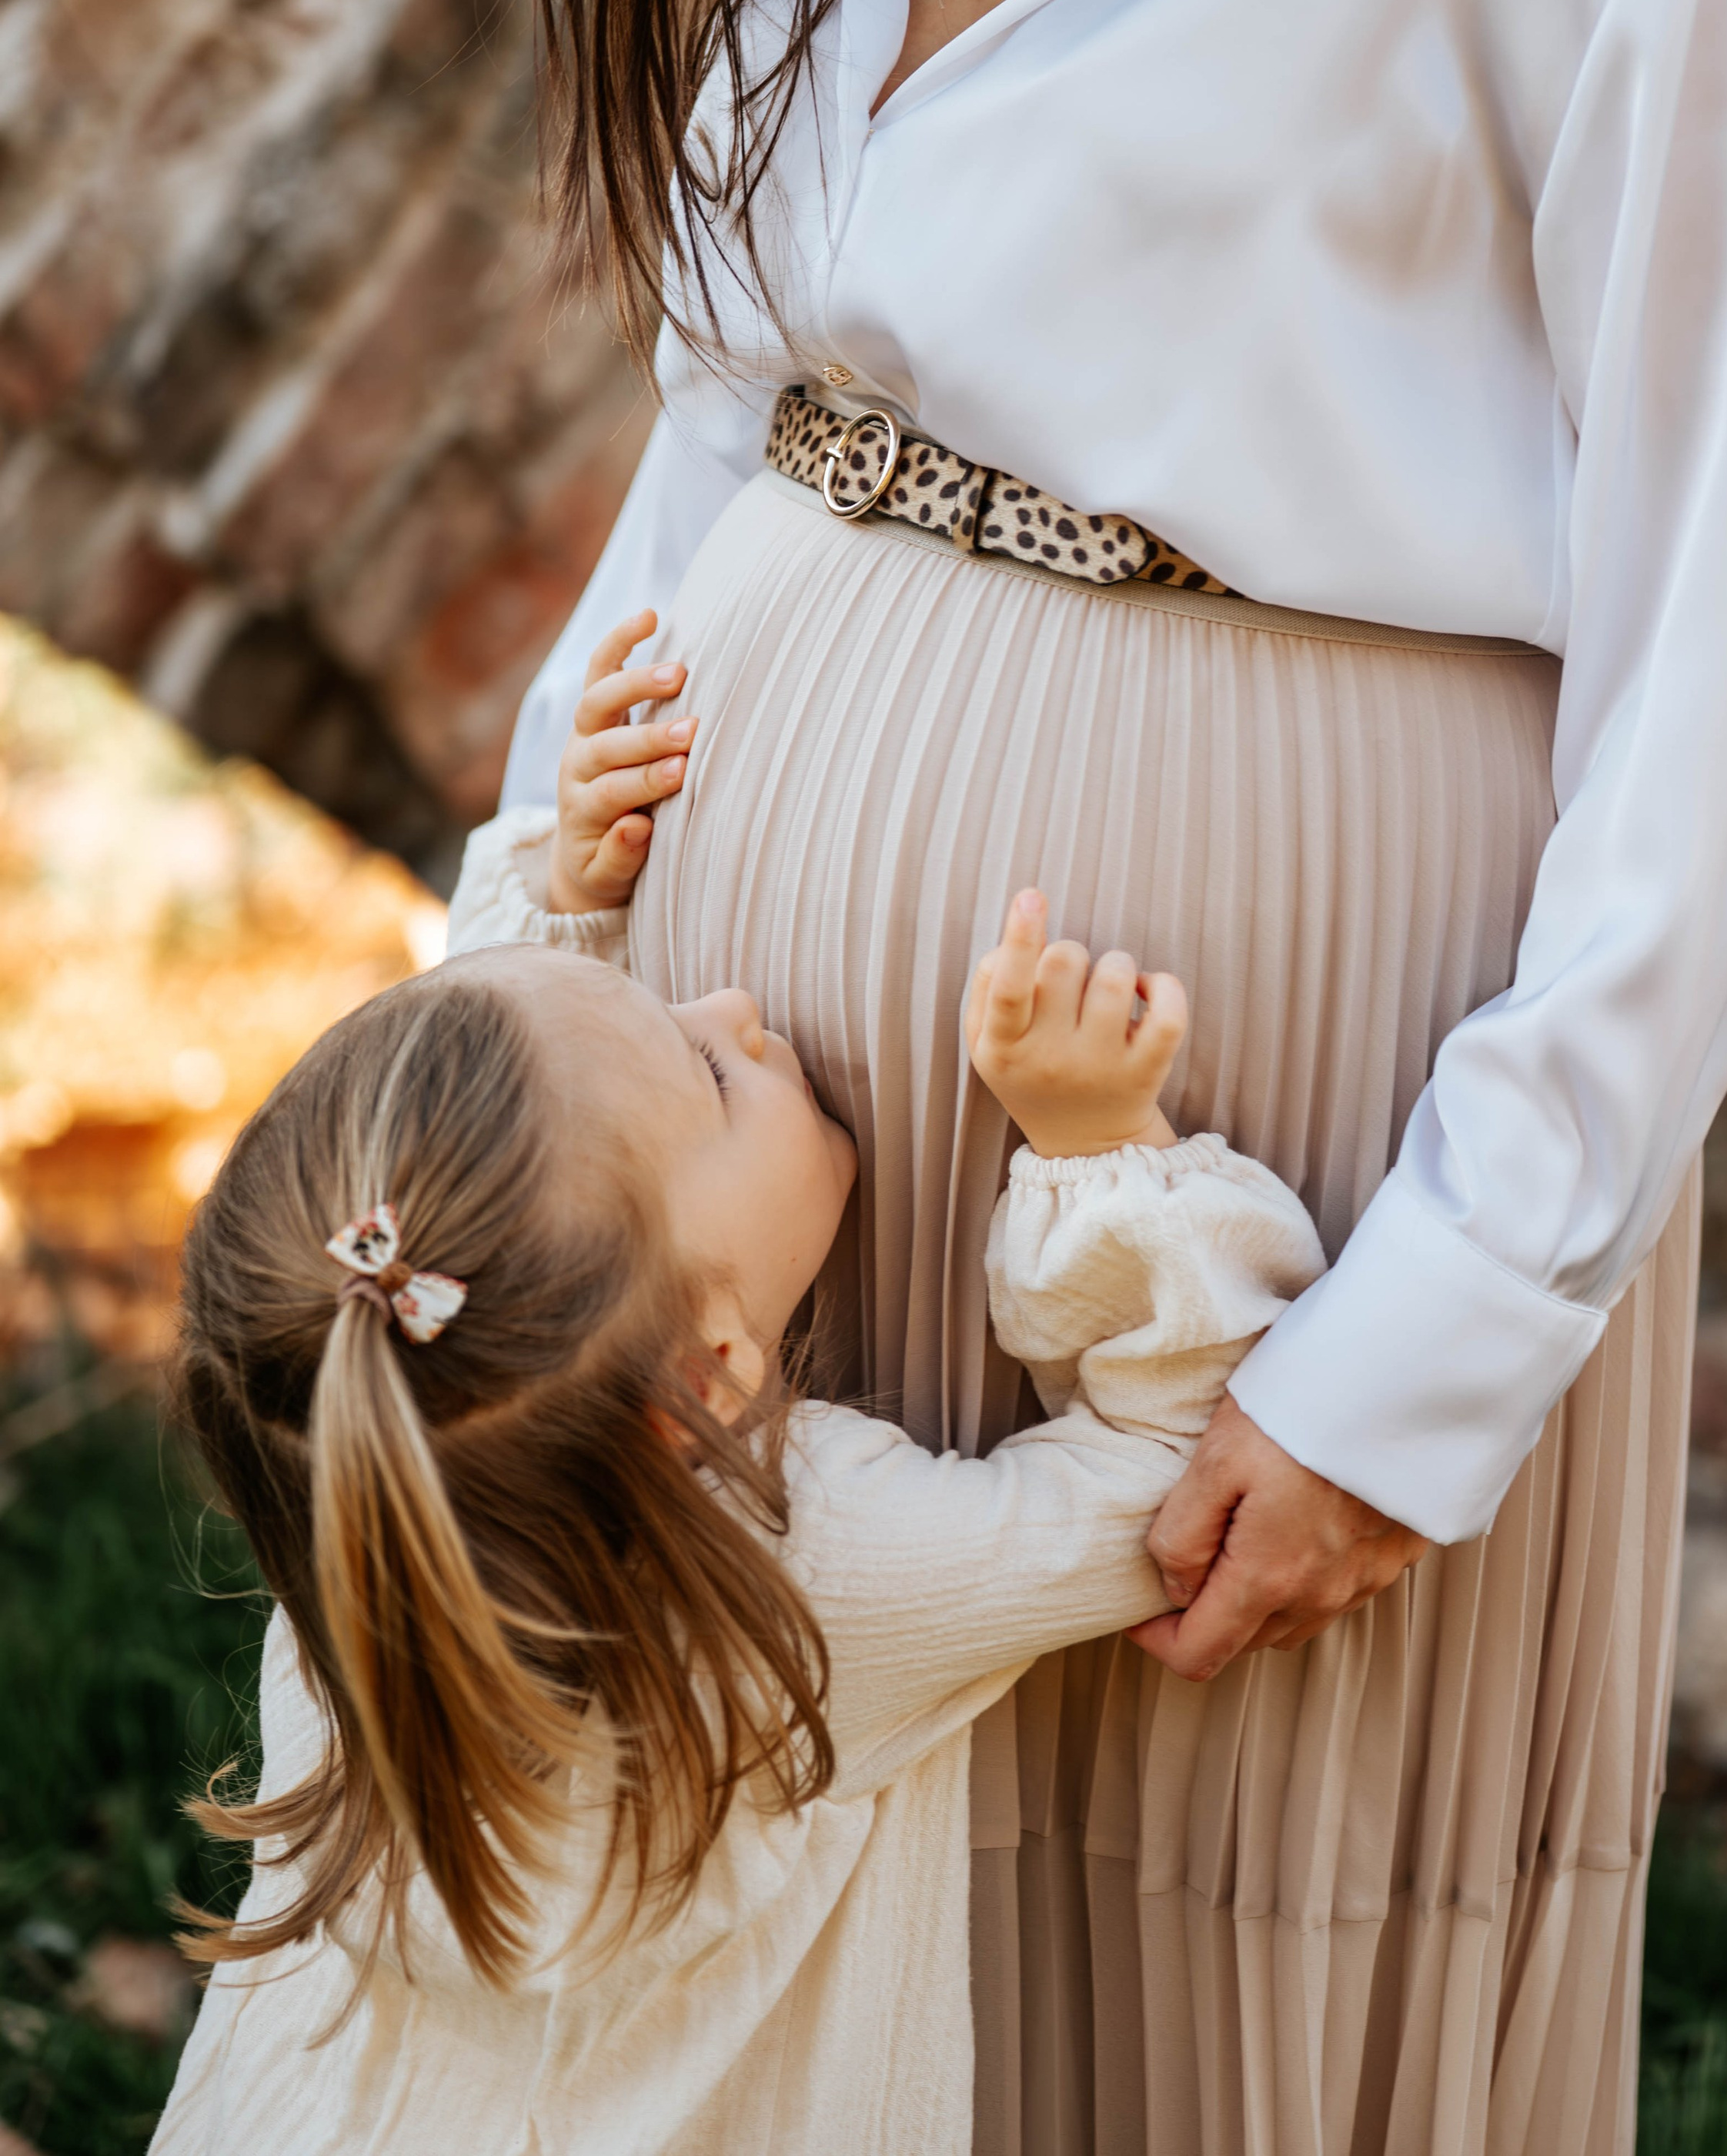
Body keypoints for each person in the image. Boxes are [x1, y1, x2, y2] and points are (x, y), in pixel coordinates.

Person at [494, 0, 1727, 2143]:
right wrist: (526, 977)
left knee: (1210, 1987)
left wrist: (1444, 1325)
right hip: (767, 1098)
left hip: (1266, 1122)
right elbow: (728, 407)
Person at [152, 814, 1321, 2155]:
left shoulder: (375, 1507)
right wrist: (1099, 1148)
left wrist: (566, 915)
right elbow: (1179, 1486)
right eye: (710, 1074)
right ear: (703, 1376)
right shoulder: (806, 1573)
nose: (738, 1008)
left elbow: (498, 1212)